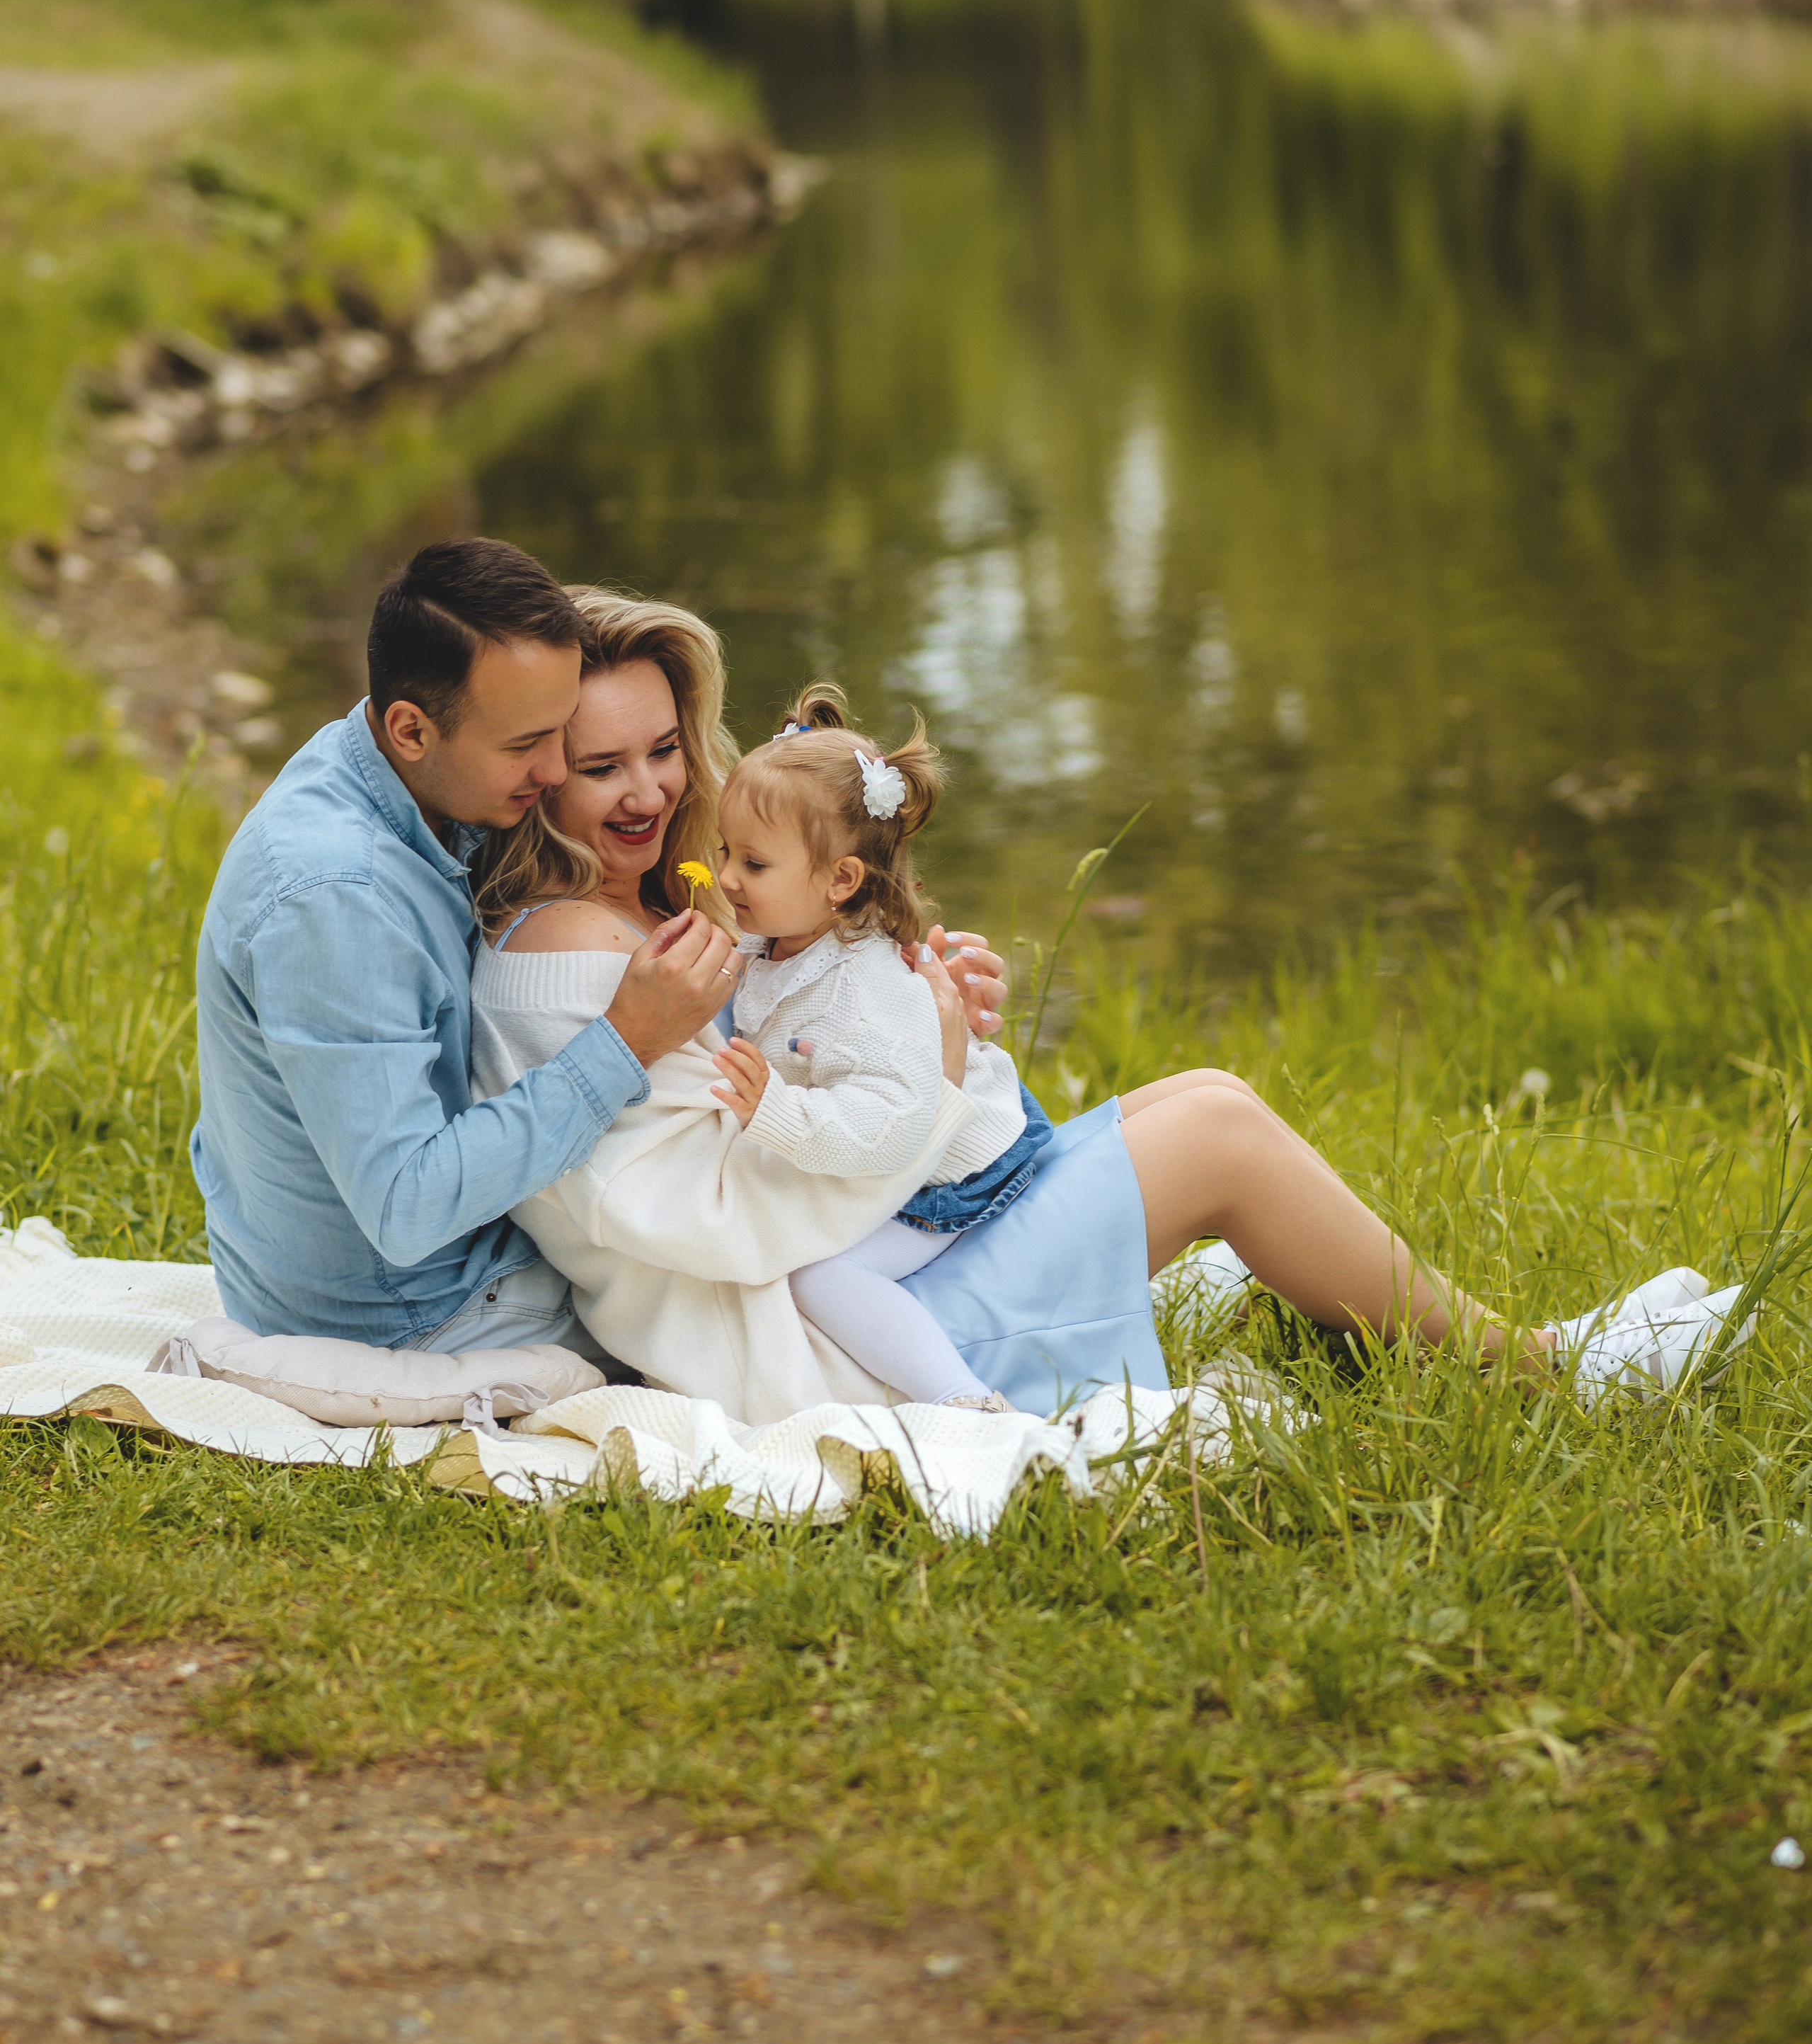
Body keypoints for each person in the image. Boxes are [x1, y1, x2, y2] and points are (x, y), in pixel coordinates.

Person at [469, 586, 1757, 1422]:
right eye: (596, 767)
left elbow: (792, 1067)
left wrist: (919, 1015)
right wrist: (928, 1076)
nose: (645, 791)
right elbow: (703, 1204)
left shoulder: (673, 915)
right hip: (854, 1345)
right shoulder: (583, 950)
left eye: (666, 750)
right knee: (1222, 1134)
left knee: (1198, 1094)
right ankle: (1548, 1378)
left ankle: (1494, 1340)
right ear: (533, 774)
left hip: (890, 1261)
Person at [189, 537, 765, 1363]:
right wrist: (625, 1040)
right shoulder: (335, 898)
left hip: (372, 1262)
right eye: (529, 743)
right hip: (414, 1312)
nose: (558, 766)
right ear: (412, 728)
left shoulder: (391, 766)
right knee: (749, 1293)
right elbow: (406, 1208)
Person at [709, 685, 1051, 1412]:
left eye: (753, 864)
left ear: (840, 879)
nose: (727, 878)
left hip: (952, 1165)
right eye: (724, 853)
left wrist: (775, 1109)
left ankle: (960, 1401)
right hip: (907, 1137)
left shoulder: (863, 991)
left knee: (819, 1277)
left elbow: (891, 1130)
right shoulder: (775, 936)